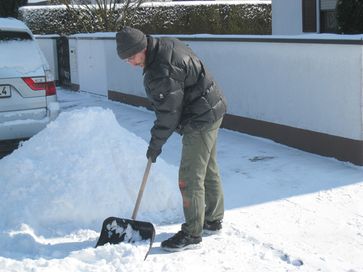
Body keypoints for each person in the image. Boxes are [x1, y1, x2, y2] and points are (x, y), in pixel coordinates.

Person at [116, 26, 227, 252]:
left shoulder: (160, 71)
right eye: (125, 59)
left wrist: (155, 146)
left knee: (190, 176)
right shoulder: (163, 44)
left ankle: (192, 233)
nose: (130, 63)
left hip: (200, 118)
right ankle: (213, 220)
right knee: (208, 168)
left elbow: (168, 114)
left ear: (142, 48)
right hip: (212, 107)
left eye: (131, 57)